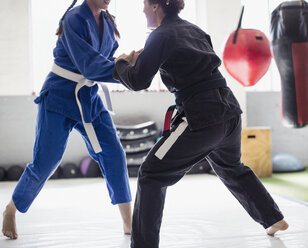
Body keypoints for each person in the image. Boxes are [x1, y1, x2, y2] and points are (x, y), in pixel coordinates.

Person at [113, 0, 288, 247]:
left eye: (144, 4)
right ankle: (272, 218)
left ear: (155, 7)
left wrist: (119, 64)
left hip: (201, 116)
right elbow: (191, 63)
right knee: (230, 165)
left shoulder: (160, 35)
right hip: (229, 111)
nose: (142, 10)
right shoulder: (194, 30)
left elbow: (139, 81)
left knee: (151, 173)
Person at [2, 0, 132, 240]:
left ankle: (128, 221)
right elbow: (90, 65)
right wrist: (125, 68)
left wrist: (127, 61)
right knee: (46, 162)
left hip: (89, 97)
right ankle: (12, 208)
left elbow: (105, 60)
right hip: (59, 97)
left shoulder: (107, 20)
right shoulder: (74, 19)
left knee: (114, 153)